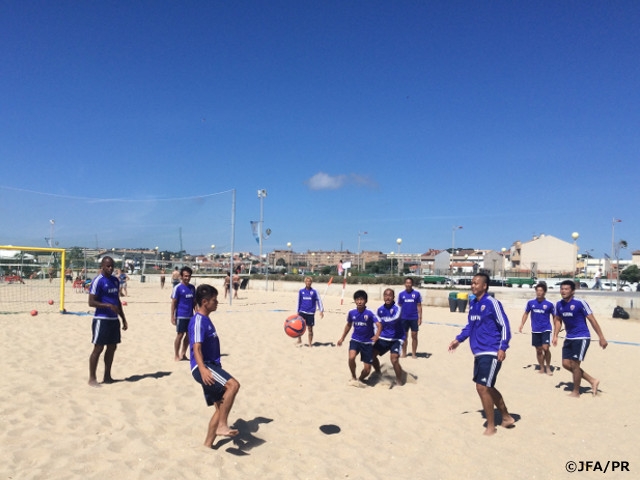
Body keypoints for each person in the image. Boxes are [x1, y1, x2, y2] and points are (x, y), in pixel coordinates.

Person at [448, 273, 515, 436]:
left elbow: (505, 325)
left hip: (492, 350)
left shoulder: (492, 303)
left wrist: (503, 347)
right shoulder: (473, 304)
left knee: (482, 387)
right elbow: (470, 326)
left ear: (485, 286)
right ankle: (506, 416)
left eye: (476, 283)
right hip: (478, 352)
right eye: (472, 283)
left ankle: (491, 426)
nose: (473, 285)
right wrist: (459, 339)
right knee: (488, 386)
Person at [189, 284, 240, 447]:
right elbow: (196, 347)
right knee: (233, 385)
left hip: (211, 367)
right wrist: (203, 369)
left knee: (220, 408)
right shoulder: (198, 320)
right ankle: (222, 425)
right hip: (204, 368)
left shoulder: (206, 319)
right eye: (214, 300)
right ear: (204, 302)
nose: (217, 302)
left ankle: (207, 444)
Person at [552, 280, 608, 398]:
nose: (563, 291)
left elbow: (592, 320)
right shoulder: (559, 304)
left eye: (566, 289)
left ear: (572, 291)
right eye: (562, 289)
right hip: (569, 337)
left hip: (582, 337)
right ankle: (592, 380)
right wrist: (555, 335)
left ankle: (576, 392)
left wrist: (601, 337)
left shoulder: (580, 303)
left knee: (575, 364)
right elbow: (558, 320)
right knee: (566, 364)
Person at [88, 256, 128, 387]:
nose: (110, 268)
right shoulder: (98, 281)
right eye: (108, 266)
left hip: (114, 320)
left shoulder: (115, 281)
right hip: (101, 319)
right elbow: (91, 302)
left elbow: (117, 301)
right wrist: (108, 306)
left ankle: (107, 376)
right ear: (102, 266)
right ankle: (92, 378)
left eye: (112, 266)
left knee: (112, 347)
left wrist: (123, 319)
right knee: (98, 348)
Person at [337, 290, 381, 387]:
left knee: (367, 370)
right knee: (351, 357)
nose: (359, 302)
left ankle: (360, 379)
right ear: (355, 301)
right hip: (355, 340)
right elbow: (348, 325)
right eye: (357, 299)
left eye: (361, 299)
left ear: (365, 301)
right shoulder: (352, 312)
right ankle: (353, 376)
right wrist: (342, 338)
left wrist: (377, 335)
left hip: (367, 342)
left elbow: (379, 325)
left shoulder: (370, 313)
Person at [519, 283, 555, 375]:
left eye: (541, 291)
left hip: (546, 328)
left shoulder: (549, 304)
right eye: (537, 291)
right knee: (539, 350)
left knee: (546, 348)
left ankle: (548, 367)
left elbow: (555, 316)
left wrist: (556, 328)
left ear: (544, 292)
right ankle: (542, 367)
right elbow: (526, 313)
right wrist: (522, 324)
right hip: (535, 329)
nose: (539, 293)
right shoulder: (531, 303)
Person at [372, 288, 405, 386]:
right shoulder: (380, 309)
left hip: (396, 338)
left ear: (393, 297)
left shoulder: (397, 308)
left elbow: (395, 319)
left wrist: (383, 321)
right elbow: (376, 324)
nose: (388, 297)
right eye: (386, 295)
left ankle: (399, 381)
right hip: (383, 337)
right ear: (383, 297)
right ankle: (378, 372)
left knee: (394, 359)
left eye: (390, 295)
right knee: (371, 355)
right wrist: (375, 334)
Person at [171, 266, 196, 361]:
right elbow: (174, 302)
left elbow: (194, 302)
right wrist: (172, 316)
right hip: (181, 315)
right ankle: (176, 354)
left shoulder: (192, 288)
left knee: (189, 335)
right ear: (181, 276)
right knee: (180, 335)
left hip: (190, 315)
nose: (187, 278)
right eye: (185, 276)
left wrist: (197, 313)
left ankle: (183, 353)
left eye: (189, 276)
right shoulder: (177, 288)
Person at [296, 276, 324, 347]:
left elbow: (319, 300)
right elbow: (298, 301)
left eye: (309, 281)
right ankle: (299, 339)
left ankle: (310, 343)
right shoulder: (301, 291)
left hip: (310, 312)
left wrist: (321, 310)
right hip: (302, 311)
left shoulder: (314, 291)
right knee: (299, 327)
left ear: (311, 282)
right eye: (307, 281)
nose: (308, 282)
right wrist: (297, 311)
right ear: (305, 282)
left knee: (310, 329)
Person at [398, 277, 422, 359]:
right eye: (407, 283)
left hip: (414, 318)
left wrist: (420, 317)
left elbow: (419, 306)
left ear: (412, 284)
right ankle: (404, 353)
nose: (408, 284)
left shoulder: (417, 294)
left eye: (410, 283)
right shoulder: (401, 294)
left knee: (414, 336)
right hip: (404, 318)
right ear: (405, 284)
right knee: (404, 336)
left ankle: (414, 353)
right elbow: (399, 306)